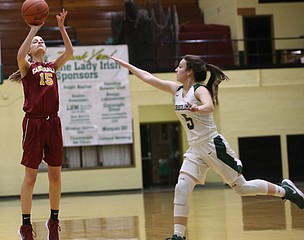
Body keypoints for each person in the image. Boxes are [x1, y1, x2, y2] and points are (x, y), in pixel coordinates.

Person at [110, 55, 304, 240]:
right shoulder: (176, 90)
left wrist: (199, 108)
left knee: (242, 188)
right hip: (195, 149)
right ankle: (178, 235)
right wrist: (127, 66)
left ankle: (285, 190)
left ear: (190, 71)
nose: (176, 69)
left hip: (212, 145)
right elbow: (148, 77)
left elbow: (210, 106)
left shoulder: (199, 90)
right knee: (182, 187)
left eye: (180, 66)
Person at [9, 9, 73, 240]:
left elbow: (70, 51)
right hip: (33, 124)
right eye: (35, 41)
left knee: (55, 175)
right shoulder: (27, 67)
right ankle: (26, 226)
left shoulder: (52, 67)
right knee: (31, 177)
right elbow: (19, 54)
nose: (39, 42)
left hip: (53, 122)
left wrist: (62, 27)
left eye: (42, 40)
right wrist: (33, 28)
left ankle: (53, 221)